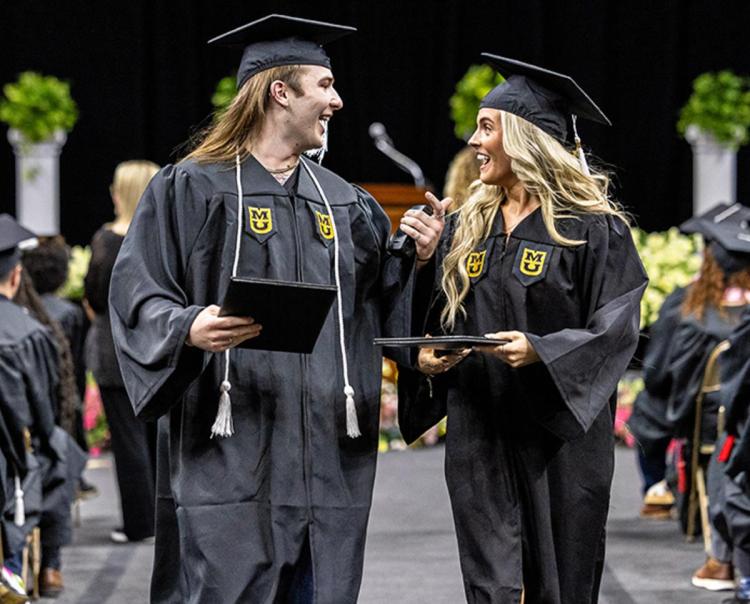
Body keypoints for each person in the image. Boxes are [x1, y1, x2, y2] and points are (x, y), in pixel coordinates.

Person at [108, 15, 444, 603]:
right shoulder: (190, 188)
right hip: (229, 455)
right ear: (278, 92)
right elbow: (138, 292)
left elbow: (382, 307)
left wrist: (415, 260)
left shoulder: (346, 205)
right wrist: (190, 327)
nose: (337, 100)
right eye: (324, 85)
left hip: (327, 458)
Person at [396, 54, 647, 603]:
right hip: (479, 430)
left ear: (528, 139)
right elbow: (437, 317)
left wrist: (543, 350)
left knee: (562, 582)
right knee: (491, 585)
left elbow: (617, 327)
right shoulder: (466, 226)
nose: (473, 141)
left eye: (487, 128)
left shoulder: (595, 230)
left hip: (559, 437)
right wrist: (424, 279)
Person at [0, 215, 85, 600]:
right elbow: (40, 415)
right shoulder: (28, 333)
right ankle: (44, 565)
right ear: (16, 276)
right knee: (61, 453)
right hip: (11, 464)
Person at [84, 160, 160, 544]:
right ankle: (166, 520)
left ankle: (139, 525)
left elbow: (94, 295)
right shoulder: (162, 238)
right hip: (160, 350)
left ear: (121, 193)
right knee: (159, 439)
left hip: (115, 353)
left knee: (128, 443)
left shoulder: (107, 240)